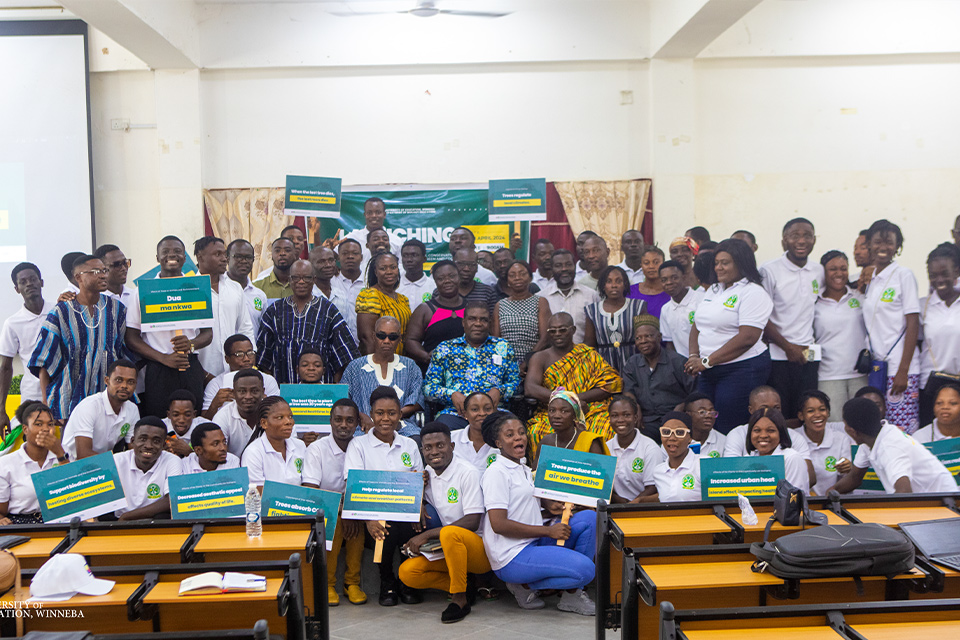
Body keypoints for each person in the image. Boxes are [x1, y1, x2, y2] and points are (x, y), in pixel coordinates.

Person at [480, 411, 596, 615]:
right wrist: (548, 532)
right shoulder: (496, 473)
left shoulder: (522, 468)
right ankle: (523, 586)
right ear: (498, 443)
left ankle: (571, 596)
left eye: (521, 432)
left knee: (590, 519)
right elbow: (499, 524)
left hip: (533, 542)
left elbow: (523, 505)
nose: (518, 437)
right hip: (512, 555)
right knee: (586, 570)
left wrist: (549, 506)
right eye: (509, 435)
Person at [398, 421, 490, 624]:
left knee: (448, 533)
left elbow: (473, 521)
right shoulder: (428, 473)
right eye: (428, 447)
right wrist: (419, 496)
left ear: (452, 447)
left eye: (440, 445)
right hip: (449, 549)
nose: (434, 452)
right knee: (407, 573)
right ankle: (464, 585)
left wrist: (427, 535)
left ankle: (459, 599)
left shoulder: (468, 472)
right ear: (422, 450)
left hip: (478, 550)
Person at [343, 386, 424, 606]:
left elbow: (418, 481)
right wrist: (368, 519)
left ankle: (408, 581)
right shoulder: (358, 445)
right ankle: (387, 580)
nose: (385, 418)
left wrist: (419, 508)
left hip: (406, 511)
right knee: (383, 528)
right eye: (379, 413)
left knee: (412, 527)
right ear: (371, 414)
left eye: (391, 413)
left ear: (399, 415)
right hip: (373, 514)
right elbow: (353, 484)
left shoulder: (409, 445)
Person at [685, 238, 773, 434]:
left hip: (742, 369)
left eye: (725, 263)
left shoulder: (753, 292)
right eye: (716, 263)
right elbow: (697, 324)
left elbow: (748, 337)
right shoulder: (714, 290)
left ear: (741, 263)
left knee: (729, 424)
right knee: (706, 423)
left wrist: (706, 361)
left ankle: (732, 464)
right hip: (708, 369)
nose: (718, 268)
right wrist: (693, 357)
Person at [29, 254, 129, 420]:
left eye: (104, 270)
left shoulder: (117, 310)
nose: (103, 275)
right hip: (68, 403)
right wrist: (47, 405)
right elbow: (44, 362)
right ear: (78, 277)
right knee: (69, 446)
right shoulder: (60, 312)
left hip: (108, 402)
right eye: (96, 271)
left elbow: (121, 355)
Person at [125, 237, 212, 419]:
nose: (171, 255)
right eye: (165, 252)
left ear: (185, 257)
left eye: (177, 251)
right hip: (158, 367)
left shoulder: (196, 288)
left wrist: (191, 344)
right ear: (157, 258)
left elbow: (207, 334)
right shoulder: (143, 291)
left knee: (191, 419)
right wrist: (163, 358)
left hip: (190, 364)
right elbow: (132, 338)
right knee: (159, 418)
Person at [302, 398, 367, 606]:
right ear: (330, 421)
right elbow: (311, 491)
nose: (343, 425)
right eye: (338, 419)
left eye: (349, 420)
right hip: (326, 507)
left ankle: (352, 583)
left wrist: (351, 510)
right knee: (336, 521)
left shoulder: (364, 446)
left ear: (357, 423)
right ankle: (328, 584)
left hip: (356, 506)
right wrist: (341, 509)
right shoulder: (317, 449)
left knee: (357, 521)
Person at [526, 313, 622, 448]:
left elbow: (610, 384)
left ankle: (598, 469)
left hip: (588, 408)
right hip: (555, 411)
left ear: (573, 330)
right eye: (552, 331)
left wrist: (576, 401)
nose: (557, 334)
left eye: (563, 330)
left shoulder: (588, 353)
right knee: (537, 432)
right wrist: (567, 401)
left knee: (605, 427)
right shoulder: (540, 357)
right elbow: (530, 388)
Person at [760, 218, 824, 418]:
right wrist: (788, 347)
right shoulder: (769, 270)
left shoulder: (818, 270)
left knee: (808, 411)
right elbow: (761, 317)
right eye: (795, 236)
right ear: (784, 241)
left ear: (814, 240)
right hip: (779, 356)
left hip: (809, 354)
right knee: (783, 414)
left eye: (807, 235)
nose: (802, 241)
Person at [257, 259, 359, 384]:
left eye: (306, 278)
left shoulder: (328, 310)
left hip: (321, 391)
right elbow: (264, 356)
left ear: (314, 280)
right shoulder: (274, 310)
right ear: (289, 280)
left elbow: (343, 354)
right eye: (296, 278)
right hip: (283, 388)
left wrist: (334, 390)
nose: (301, 282)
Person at [862, 219, 921, 433]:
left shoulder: (904, 275)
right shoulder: (872, 279)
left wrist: (903, 370)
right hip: (878, 368)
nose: (883, 247)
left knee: (902, 430)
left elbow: (913, 322)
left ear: (897, 247)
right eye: (878, 242)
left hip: (900, 368)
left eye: (889, 243)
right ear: (868, 244)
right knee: (880, 429)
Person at [424, 301, 520, 431]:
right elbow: (429, 386)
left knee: (513, 431)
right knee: (441, 432)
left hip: (494, 413)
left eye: (483, 320)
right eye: (472, 319)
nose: (478, 323)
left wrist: (500, 390)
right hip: (456, 414)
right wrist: (451, 394)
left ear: (489, 323)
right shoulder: (445, 348)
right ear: (464, 323)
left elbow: (515, 383)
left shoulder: (503, 347)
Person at [831, 397, 956, 494]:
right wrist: (827, 495)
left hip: (944, 505)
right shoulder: (869, 440)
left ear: (853, 432)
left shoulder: (890, 448)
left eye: (845, 424)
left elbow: (904, 491)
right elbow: (854, 478)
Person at [340, 316, 424, 438]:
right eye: (381, 335)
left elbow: (417, 400)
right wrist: (361, 416)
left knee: (416, 440)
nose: (386, 341)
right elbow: (343, 400)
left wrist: (393, 417)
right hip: (363, 426)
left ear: (400, 339)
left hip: (401, 426)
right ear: (374, 336)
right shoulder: (355, 367)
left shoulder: (410, 366)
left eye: (392, 337)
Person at [814, 250, 869, 422]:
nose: (839, 273)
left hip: (859, 375)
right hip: (829, 376)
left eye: (843, 268)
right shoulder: (814, 301)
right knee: (835, 427)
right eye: (833, 269)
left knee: (861, 425)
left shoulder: (859, 297)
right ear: (823, 272)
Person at [622, 315, 694, 442]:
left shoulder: (677, 361)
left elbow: (695, 391)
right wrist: (635, 405)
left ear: (659, 337)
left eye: (648, 336)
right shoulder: (632, 363)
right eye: (638, 338)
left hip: (675, 419)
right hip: (646, 421)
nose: (643, 341)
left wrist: (682, 407)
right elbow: (628, 391)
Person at [0, 263, 54, 424]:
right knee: (37, 438)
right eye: (23, 282)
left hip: (62, 389)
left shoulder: (58, 311)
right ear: (17, 289)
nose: (29, 284)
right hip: (33, 394)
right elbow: (5, 367)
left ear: (41, 282)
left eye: (33, 279)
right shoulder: (12, 323)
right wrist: (1, 410)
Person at [194, 236, 255, 376]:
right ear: (200, 257)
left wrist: (249, 358)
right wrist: (202, 374)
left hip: (233, 371)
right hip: (200, 370)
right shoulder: (189, 289)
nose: (224, 259)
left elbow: (245, 328)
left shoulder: (235, 288)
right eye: (217, 254)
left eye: (224, 254)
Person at [0, 402, 68, 524]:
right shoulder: (6, 464)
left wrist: (60, 455)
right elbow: (1, 511)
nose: (46, 429)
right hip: (22, 525)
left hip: (60, 522)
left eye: (50, 424)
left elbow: (75, 494)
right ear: (25, 429)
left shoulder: (64, 454)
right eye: (38, 424)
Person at [61, 359, 139, 459]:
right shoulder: (89, 406)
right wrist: (118, 463)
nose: (124, 386)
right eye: (119, 380)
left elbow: (133, 450)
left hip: (102, 464)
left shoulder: (132, 409)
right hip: (71, 465)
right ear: (107, 381)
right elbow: (83, 455)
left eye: (130, 382)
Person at [919, 243, 960, 427]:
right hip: (931, 386)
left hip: (958, 382)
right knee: (932, 437)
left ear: (957, 272)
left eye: (945, 273)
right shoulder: (922, 306)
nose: (939, 280)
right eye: (933, 275)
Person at [113, 417, 184, 520]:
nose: (148, 445)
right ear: (132, 441)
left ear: (163, 445)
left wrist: (128, 516)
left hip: (153, 522)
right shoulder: (117, 460)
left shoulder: (173, 461)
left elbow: (171, 498)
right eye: (143, 439)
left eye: (156, 441)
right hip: (118, 521)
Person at [404, 260, 465, 371]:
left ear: (459, 277)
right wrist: (426, 356)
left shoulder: (471, 307)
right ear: (435, 282)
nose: (447, 281)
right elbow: (411, 340)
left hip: (467, 372)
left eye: (451, 276)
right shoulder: (425, 309)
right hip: (433, 372)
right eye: (440, 279)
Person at [202, 334, 281, 417]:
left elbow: (279, 415)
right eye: (239, 354)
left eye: (250, 353)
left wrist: (266, 404)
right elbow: (204, 421)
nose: (246, 359)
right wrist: (214, 405)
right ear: (227, 359)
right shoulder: (216, 384)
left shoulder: (268, 380)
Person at [584, 266, 646, 371]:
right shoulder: (592, 310)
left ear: (625, 284)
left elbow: (646, 338)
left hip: (634, 364)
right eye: (609, 282)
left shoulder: (638, 306)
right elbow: (589, 344)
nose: (614, 286)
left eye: (618, 281)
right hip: (603, 367)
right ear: (603, 285)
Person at [790, 390, 851, 495]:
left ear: (828, 413)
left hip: (832, 501)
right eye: (810, 411)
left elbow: (847, 479)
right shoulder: (793, 439)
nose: (817, 415)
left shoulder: (841, 439)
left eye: (822, 410)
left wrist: (846, 469)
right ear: (801, 416)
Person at [493, 261, 550, 366]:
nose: (517, 277)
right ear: (508, 282)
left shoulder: (541, 302)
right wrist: (507, 365)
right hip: (506, 364)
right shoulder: (500, 305)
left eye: (522, 273)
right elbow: (496, 340)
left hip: (534, 363)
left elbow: (545, 338)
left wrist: (527, 362)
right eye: (512, 275)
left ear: (530, 278)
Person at [241, 396, 306, 489]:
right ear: (264, 423)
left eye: (290, 416)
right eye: (280, 417)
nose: (289, 422)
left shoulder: (300, 446)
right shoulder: (253, 453)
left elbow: (307, 485)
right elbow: (258, 493)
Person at [746, 408, 814, 494]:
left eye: (770, 430)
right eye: (757, 430)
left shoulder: (792, 458)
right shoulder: (747, 459)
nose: (763, 435)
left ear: (780, 432)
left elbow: (793, 499)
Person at [606, 394, 660, 503]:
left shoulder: (650, 448)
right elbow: (602, 485)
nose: (620, 420)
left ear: (635, 418)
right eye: (615, 415)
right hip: (614, 506)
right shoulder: (606, 447)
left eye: (626, 415)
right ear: (610, 419)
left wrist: (632, 505)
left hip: (642, 508)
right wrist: (619, 502)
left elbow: (652, 487)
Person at [534, 388, 609, 465]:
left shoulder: (590, 442)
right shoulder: (546, 442)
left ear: (574, 415)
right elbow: (535, 474)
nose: (556, 416)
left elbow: (600, 474)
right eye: (552, 410)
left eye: (564, 411)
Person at [356, 252, 411, 356]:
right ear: (376, 272)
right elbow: (366, 338)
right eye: (383, 268)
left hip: (399, 361)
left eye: (393, 267)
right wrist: (375, 366)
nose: (389, 272)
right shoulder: (370, 295)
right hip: (379, 361)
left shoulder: (403, 299)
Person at [542, 249, 599, 344]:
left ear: (575, 266)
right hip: (552, 357)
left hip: (583, 356)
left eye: (568, 264)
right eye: (558, 266)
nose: (564, 269)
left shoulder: (591, 296)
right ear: (551, 269)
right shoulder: (542, 297)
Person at [212, 368, 265, 457]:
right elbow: (216, 454)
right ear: (233, 393)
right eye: (242, 391)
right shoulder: (222, 417)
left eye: (254, 391)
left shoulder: (274, 413)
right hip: (234, 468)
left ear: (263, 392)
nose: (248, 396)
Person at [653, 412, 702, 502]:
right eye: (666, 432)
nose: (672, 438)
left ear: (690, 438)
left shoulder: (703, 464)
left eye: (679, 432)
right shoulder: (658, 471)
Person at [658, 260, 703, 359]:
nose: (669, 283)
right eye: (664, 280)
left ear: (684, 277)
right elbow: (670, 343)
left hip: (706, 362)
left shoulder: (701, 300)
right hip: (685, 367)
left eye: (674, 278)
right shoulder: (665, 309)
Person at [723, 386, 783, 457]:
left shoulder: (793, 437)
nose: (771, 413)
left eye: (776, 408)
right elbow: (731, 465)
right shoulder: (737, 434)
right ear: (751, 410)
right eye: (764, 408)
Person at [343, 197, 403, 265]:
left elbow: (401, 268)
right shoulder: (352, 238)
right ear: (365, 215)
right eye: (369, 213)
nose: (374, 216)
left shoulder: (396, 241)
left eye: (378, 212)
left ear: (384, 215)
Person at [226, 240, 268, 334]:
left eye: (248, 257)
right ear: (227, 259)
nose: (244, 261)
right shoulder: (218, 290)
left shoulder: (259, 295)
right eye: (238, 257)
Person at [452, 392, 498, 473]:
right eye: (475, 409)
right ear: (465, 414)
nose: (482, 413)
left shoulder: (504, 441)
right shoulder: (451, 438)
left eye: (487, 409)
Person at [309, 245, 353, 325]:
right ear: (311, 265)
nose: (328, 265)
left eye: (331, 260)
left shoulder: (341, 295)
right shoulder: (308, 296)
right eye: (321, 262)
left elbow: (346, 328)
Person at [332, 238, 365, 341]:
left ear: (361, 257)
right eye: (345, 253)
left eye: (355, 253)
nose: (350, 257)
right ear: (338, 258)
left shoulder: (370, 281)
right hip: (336, 344)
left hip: (363, 344)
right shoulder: (330, 280)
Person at [449, 248, 497, 314]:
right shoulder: (441, 292)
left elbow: (492, 321)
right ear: (453, 265)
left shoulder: (488, 292)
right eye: (461, 264)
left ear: (477, 268)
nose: (466, 269)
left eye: (471, 265)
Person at [628, 247, 671, 318]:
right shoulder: (630, 292)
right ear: (641, 265)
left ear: (663, 263)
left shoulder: (670, 292)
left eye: (656, 262)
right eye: (646, 263)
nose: (651, 266)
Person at [93, 244, 137, 309]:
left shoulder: (135, 296)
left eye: (125, 263)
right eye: (117, 265)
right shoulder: (95, 302)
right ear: (101, 269)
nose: (124, 268)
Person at [163, 389, 204, 458]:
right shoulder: (159, 428)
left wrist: (189, 452)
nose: (181, 420)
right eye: (176, 415)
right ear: (169, 415)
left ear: (194, 414)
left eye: (187, 415)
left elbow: (210, 459)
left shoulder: (204, 428)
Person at [396, 239, 434, 312]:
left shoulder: (434, 287)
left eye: (414, 255)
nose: (409, 259)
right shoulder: (393, 287)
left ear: (424, 259)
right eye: (405, 255)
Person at [684, 393, 725, 458]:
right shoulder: (676, 440)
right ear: (688, 415)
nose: (708, 416)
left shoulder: (724, 442)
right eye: (702, 412)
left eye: (712, 412)